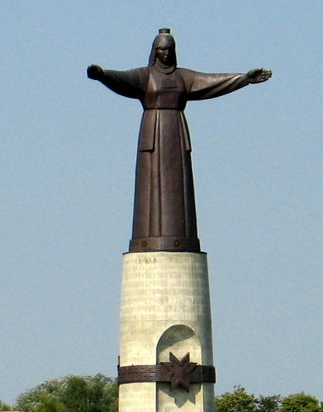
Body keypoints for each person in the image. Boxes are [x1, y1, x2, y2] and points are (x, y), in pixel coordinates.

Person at [88, 30, 272, 253]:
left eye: (169, 49)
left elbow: (211, 82)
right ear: (155, 52)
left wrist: (244, 79)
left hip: (176, 130)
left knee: (178, 189)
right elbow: (121, 79)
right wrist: (102, 75)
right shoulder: (145, 76)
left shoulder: (183, 77)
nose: (165, 54)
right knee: (151, 189)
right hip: (152, 132)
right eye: (162, 50)